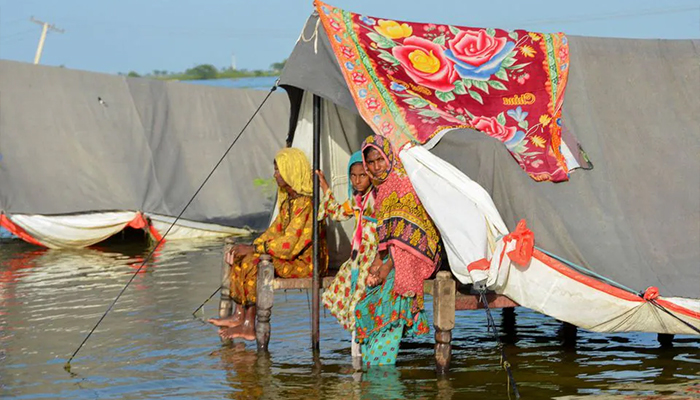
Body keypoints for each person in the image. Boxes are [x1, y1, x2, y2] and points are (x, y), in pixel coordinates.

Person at [209, 147, 328, 340]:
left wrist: (255, 249)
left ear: (291, 170)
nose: (275, 175)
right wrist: (250, 246)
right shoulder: (289, 202)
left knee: (252, 263)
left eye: (278, 170)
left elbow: (288, 246)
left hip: (306, 264)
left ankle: (250, 325)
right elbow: (274, 232)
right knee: (244, 258)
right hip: (291, 259)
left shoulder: (307, 204)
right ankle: (240, 316)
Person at [354, 135, 442, 367]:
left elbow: (406, 234)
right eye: (370, 163)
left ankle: (382, 363)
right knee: (365, 302)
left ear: (388, 156)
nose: (375, 167)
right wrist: (377, 262)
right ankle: (376, 360)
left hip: (419, 251)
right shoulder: (381, 188)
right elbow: (389, 234)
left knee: (390, 299)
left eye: (379, 160)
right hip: (395, 254)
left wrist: (384, 267)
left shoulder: (402, 181)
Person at [316, 151, 377, 359]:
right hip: (359, 257)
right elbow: (337, 213)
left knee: (358, 299)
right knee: (342, 291)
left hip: (373, 256)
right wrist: (325, 186)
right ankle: (357, 343)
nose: (357, 180)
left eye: (362, 175)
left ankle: (359, 344)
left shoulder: (375, 198)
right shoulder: (357, 200)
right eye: (353, 176)